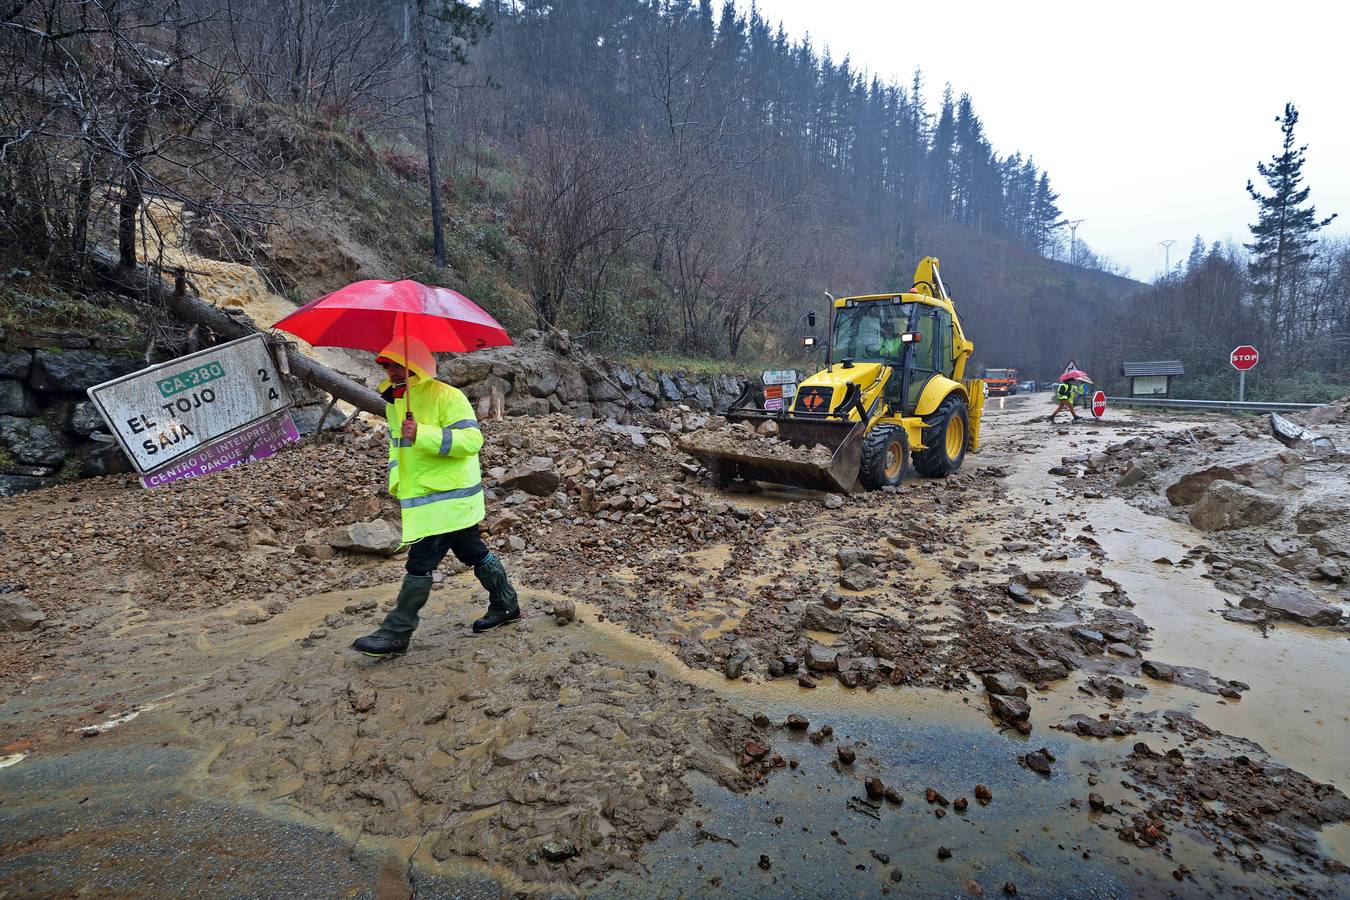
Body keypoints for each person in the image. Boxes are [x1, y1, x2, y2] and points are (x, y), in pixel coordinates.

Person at [352, 336, 520, 657]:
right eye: (386, 367)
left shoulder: (448, 396)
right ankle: (506, 604)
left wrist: (424, 434)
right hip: (425, 498)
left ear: (415, 365)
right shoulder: (395, 403)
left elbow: (472, 440)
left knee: (421, 560)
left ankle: (396, 632)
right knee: (472, 551)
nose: (391, 373)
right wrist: (396, 483)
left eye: (396, 366)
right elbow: (396, 450)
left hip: (449, 497)